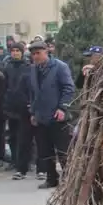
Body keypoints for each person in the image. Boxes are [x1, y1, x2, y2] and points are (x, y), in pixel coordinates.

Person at [29, 41, 75, 188]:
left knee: (63, 150)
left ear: (47, 51)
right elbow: (33, 93)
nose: (36, 56)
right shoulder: (33, 69)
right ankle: (51, 178)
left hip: (57, 116)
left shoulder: (60, 67)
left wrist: (62, 108)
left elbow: (68, 88)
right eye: (33, 53)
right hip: (41, 117)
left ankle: (69, 180)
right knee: (45, 150)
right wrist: (33, 112)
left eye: (38, 53)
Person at [2, 42, 34, 178]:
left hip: (24, 106)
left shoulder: (28, 67)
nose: (15, 53)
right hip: (11, 105)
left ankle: (28, 161)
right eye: (13, 50)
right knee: (13, 135)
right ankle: (14, 160)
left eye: (17, 50)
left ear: (22, 52)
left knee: (26, 136)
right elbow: (4, 86)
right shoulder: (7, 67)